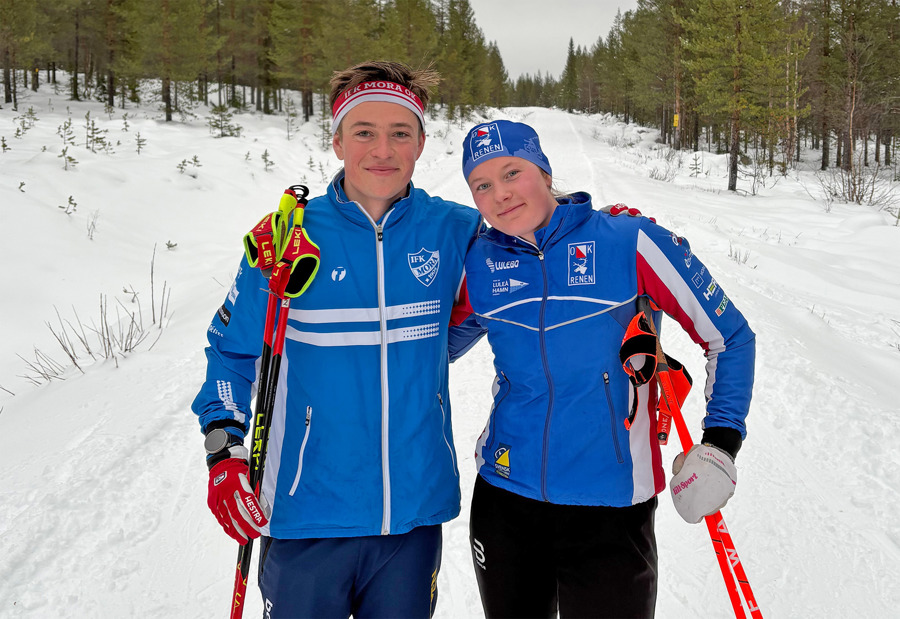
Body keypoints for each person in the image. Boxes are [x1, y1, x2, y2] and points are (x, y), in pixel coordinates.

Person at [192, 61, 485, 619]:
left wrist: (606, 231)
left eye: (400, 133)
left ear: (422, 142)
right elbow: (230, 355)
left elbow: (539, 269)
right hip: (306, 516)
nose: (383, 149)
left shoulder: (456, 230)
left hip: (413, 518)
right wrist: (224, 450)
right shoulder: (289, 237)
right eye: (364, 132)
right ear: (337, 140)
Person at [456, 120, 756, 618]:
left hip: (611, 506)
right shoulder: (482, 264)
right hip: (505, 499)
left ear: (545, 172)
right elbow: (429, 346)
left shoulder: (629, 240)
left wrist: (722, 441)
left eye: (512, 172)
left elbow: (730, 335)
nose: (500, 194)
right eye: (481, 185)